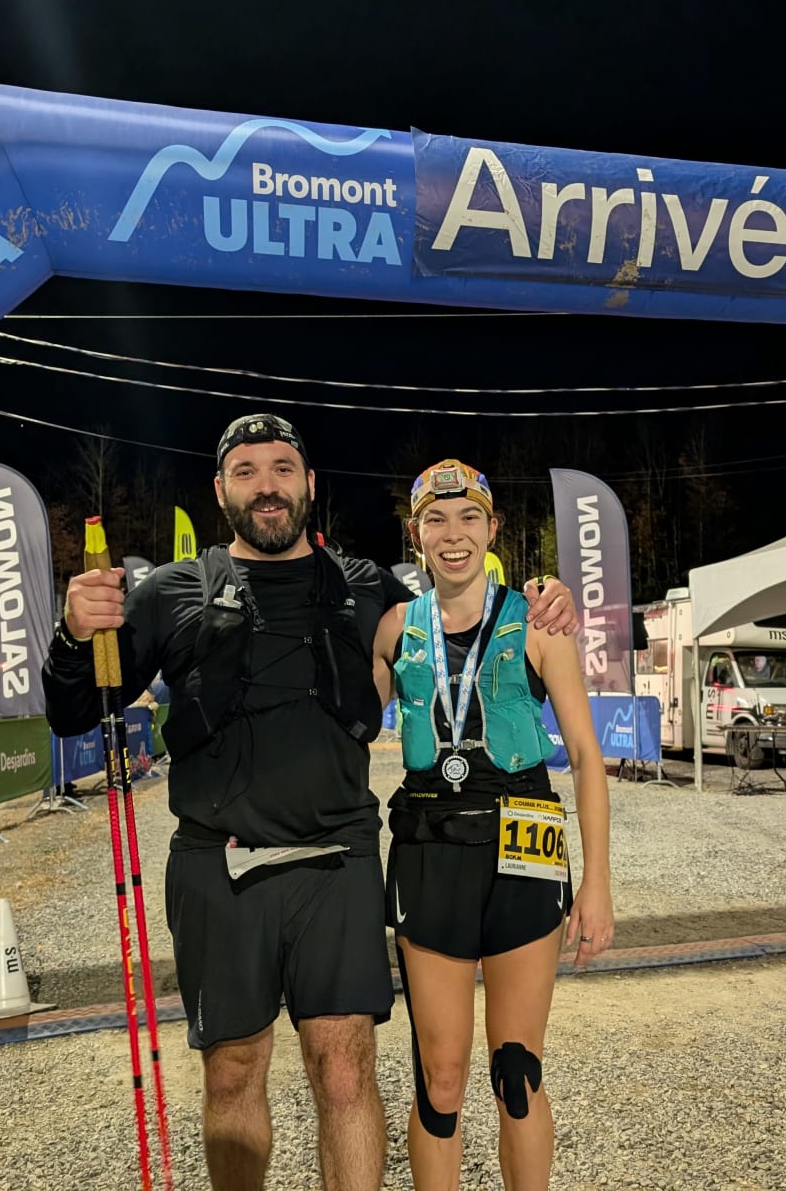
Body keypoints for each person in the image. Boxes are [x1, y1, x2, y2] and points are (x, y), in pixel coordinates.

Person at [42, 413, 576, 1191]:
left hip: (337, 862)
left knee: (346, 1069)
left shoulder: (365, 588)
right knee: (232, 1071)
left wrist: (544, 595)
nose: (267, 486)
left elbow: (461, 601)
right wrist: (71, 634)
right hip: (218, 866)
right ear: (220, 489)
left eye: (282, 469)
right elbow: (73, 712)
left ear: (310, 484)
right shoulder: (170, 591)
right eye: (247, 471)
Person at [372, 459, 614, 1191]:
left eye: (469, 518)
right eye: (437, 521)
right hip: (430, 852)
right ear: (415, 534)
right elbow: (339, 732)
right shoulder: (394, 627)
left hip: (524, 849)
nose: (454, 536)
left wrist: (597, 884)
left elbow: (586, 757)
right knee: (441, 1078)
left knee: (517, 1073)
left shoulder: (539, 622)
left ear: (492, 528)